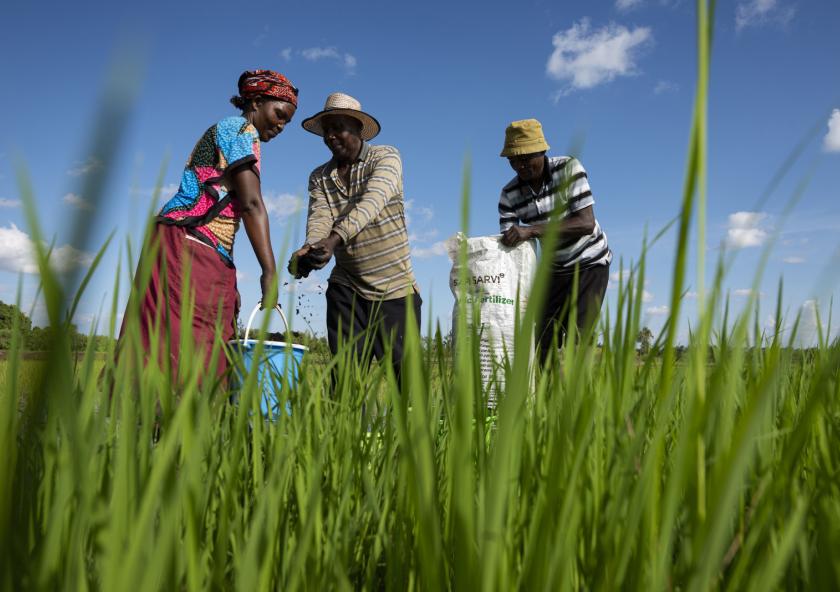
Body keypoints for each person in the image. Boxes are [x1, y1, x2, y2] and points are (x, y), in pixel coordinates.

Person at [123, 69, 298, 378]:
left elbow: (227, 210)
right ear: (256, 101)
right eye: (280, 113)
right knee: (188, 344)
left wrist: (227, 272)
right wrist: (269, 271)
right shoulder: (239, 129)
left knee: (212, 333)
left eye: (288, 120)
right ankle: (170, 421)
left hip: (196, 243)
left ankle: (176, 420)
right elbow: (251, 204)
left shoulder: (235, 133)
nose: (282, 125)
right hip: (188, 240)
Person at [287, 92, 420, 384]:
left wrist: (333, 241)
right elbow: (320, 218)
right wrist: (311, 250)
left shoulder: (385, 157)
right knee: (345, 379)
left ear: (359, 129)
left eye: (339, 128)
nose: (331, 136)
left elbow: (371, 203)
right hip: (347, 285)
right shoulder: (320, 176)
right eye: (326, 130)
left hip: (393, 287)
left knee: (406, 383)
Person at [497, 119, 611, 364]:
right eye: (513, 161)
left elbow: (585, 223)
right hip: (554, 269)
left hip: (589, 262)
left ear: (542, 151)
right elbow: (509, 245)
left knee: (578, 336)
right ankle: (546, 398)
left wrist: (532, 230)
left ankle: (577, 397)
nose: (520, 166)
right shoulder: (509, 194)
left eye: (526, 159)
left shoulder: (568, 169)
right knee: (542, 338)